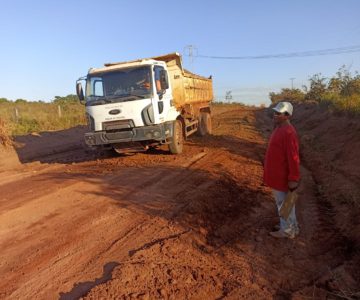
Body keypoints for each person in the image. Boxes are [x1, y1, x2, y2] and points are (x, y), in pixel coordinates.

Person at [263, 101, 300, 239]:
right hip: (277, 176)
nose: (275, 115)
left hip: (283, 177)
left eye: (279, 113)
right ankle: (291, 227)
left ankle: (287, 231)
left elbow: (294, 158)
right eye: (275, 112)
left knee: (284, 204)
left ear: (287, 116)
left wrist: (293, 179)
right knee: (287, 203)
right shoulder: (279, 128)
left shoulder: (289, 133)